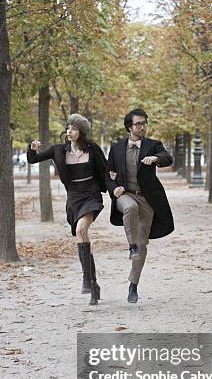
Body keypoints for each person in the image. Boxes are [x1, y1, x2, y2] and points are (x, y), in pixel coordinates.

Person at [27, 114, 107, 305]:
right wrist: (31, 149)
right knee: (82, 236)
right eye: (68, 128)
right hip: (74, 197)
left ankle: (86, 279)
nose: (69, 132)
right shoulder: (58, 150)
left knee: (81, 230)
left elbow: (105, 169)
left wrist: (116, 188)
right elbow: (33, 160)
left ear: (81, 132)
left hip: (91, 194)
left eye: (73, 129)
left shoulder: (92, 148)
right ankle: (93, 283)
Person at [106, 108, 174, 303]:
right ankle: (131, 245)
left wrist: (156, 159)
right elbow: (107, 175)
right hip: (125, 196)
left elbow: (167, 158)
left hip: (147, 199)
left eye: (144, 123)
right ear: (129, 127)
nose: (142, 127)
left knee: (143, 245)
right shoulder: (117, 148)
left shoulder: (153, 145)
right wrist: (114, 188)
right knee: (129, 208)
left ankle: (133, 284)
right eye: (138, 124)